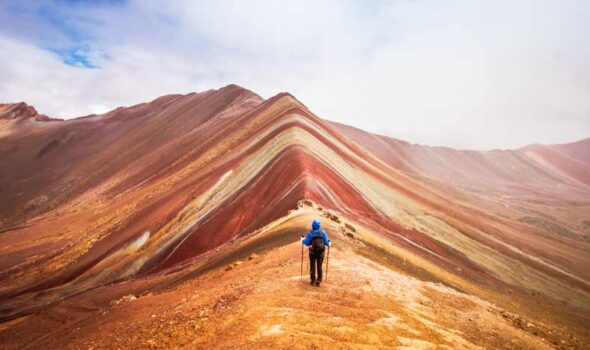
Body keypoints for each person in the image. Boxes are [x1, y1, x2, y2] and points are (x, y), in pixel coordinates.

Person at [301, 219, 330, 286]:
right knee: (319, 266)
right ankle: (319, 281)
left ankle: (313, 280)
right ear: (319, 226)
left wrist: (303, 240)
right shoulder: (323, 232)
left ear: (313, 226)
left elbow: (307, 243)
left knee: (312, 266)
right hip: (321, 253)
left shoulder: (310, 233)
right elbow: (326, 243)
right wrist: (329, 242)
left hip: (312, 253)